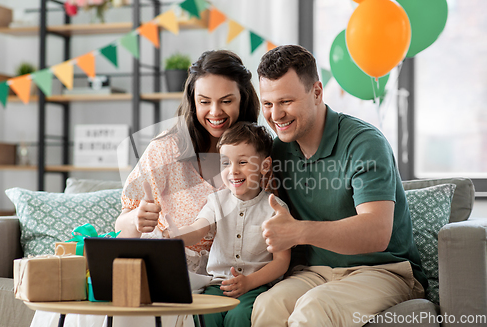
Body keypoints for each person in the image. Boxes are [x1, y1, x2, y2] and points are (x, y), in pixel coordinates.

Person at [251, 44, 427, 327]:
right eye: (268, 104)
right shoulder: (278, 150)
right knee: (267, 306)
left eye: (285, 102)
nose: (276, 115)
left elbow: (377, 231)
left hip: (383, 271)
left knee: (315, 309)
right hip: (316, 271)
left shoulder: (364, 143)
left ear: (317, 92)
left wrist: (299, 231)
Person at [115, 49, 260, 273]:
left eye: (226, 101)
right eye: (204, 101)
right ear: (193, 102)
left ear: (243, 100)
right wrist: (137, 218)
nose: (215, 112)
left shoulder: (258, 153)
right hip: (167, 266)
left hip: (231, 276)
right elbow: (121, 224)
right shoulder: (165, 149)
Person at [164, 122, 290, 327]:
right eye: (226, 163)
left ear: (264, 166)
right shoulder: (216, 201)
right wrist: (178, 235)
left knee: (238, 317)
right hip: (218, 285)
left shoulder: (275, 209)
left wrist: (249, 282)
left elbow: (281, 262)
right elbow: (200, 228)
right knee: (204, 316)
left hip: (255, 286)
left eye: (242, 162)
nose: (233, 171)